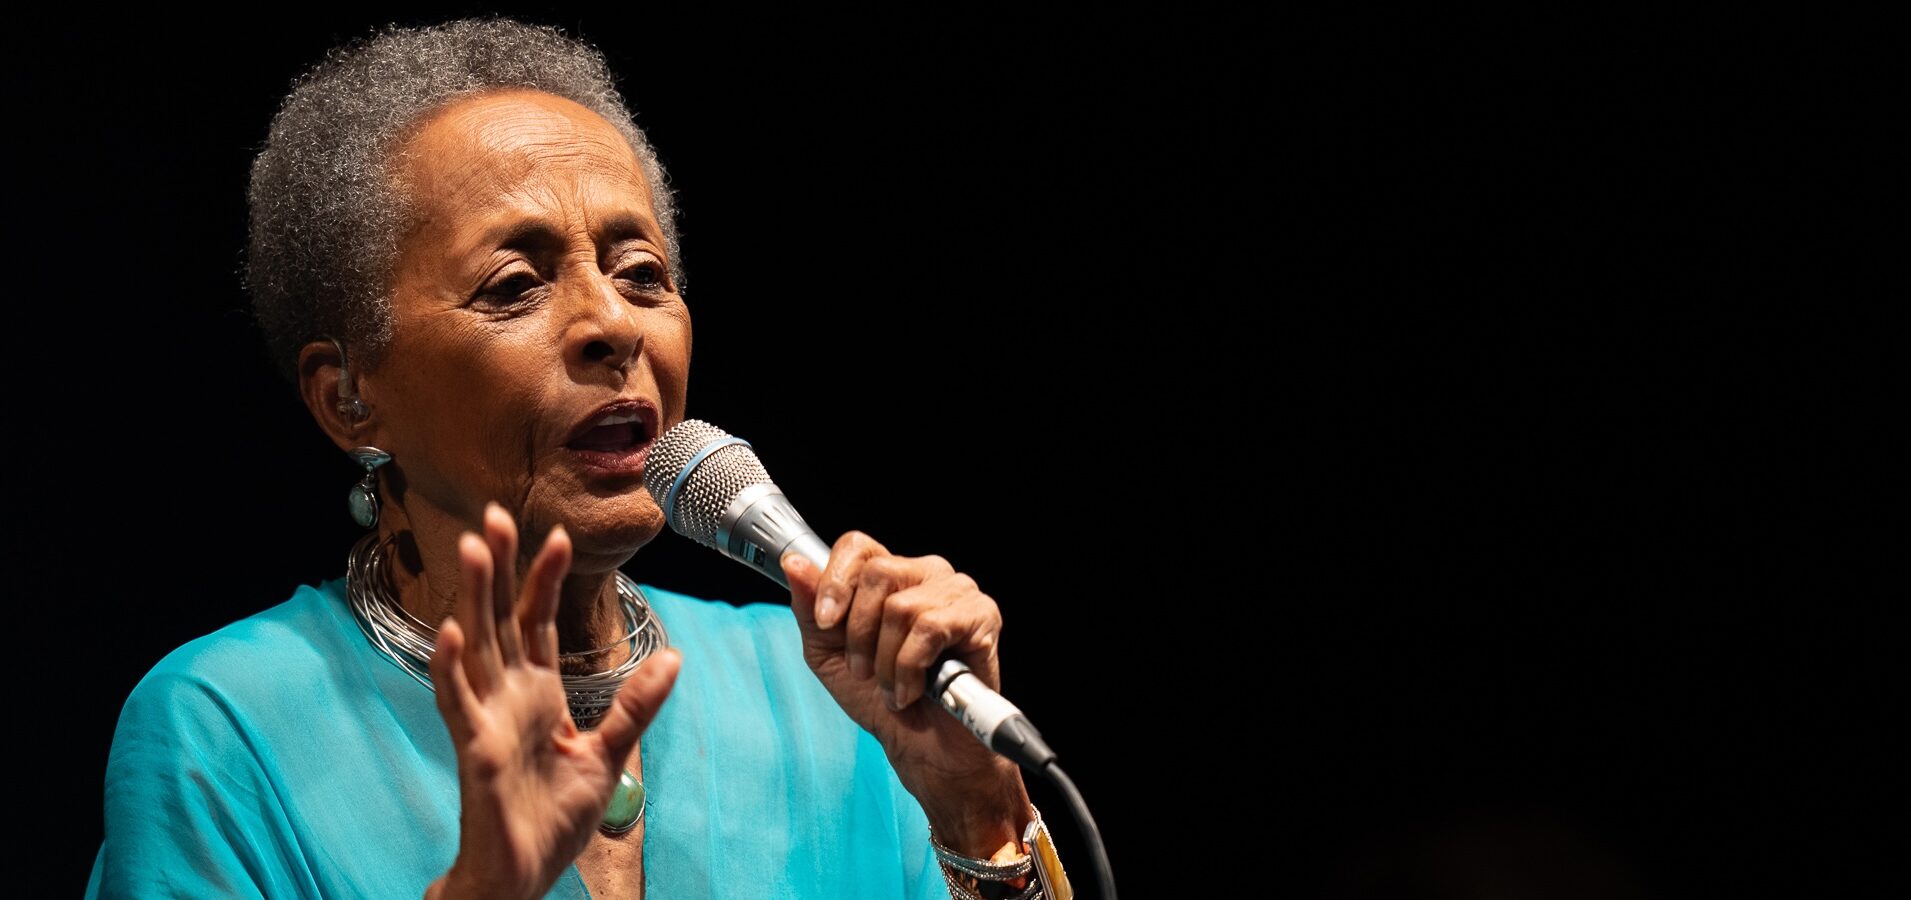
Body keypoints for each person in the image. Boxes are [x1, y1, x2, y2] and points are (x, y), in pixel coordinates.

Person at [84, 17, 1067, 900]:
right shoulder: (227, 730)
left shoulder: (832, 693)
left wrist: (975, 812)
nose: (613, 323)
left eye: (642, 274)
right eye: (514, 285)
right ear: (348, 398)